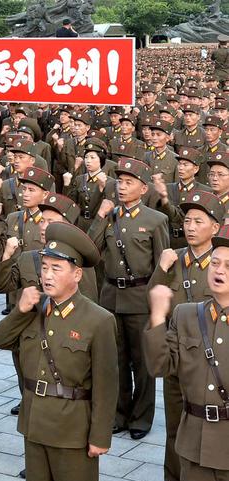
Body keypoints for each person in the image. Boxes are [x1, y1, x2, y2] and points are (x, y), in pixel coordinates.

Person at [0, 221, 118, 481]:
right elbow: (0, 340)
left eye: (56, 269)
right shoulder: (33, 309)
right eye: (45, 267)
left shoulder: (98, 320)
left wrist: (100, 436)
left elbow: (106, 386)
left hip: (73, 430)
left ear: (77, 275)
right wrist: (20, 310)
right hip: (34, 424)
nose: (47, 275)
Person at [88, 157, 169, 440]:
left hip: (139, 297)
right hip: (111, 296)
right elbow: (90, 250)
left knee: (142, 362)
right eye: (119, 182)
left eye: (128, 183)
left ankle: (141, 417)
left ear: (143, 188)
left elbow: (162, 266)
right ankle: (119, 413)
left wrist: (157, 305)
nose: (121, 187)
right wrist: (100, 216)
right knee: (116, 361)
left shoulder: (156, 220)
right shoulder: (109, 216)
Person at [147, 190, 223, 481]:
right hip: (178, 362)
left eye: (198, 221)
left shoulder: (221, 265)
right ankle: (174, 480)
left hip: (210, 367)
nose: (190, 227)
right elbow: (152, 301)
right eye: (187, 220)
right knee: (175, 430)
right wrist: (161, 269)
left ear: (215, 228)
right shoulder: (174, 259)